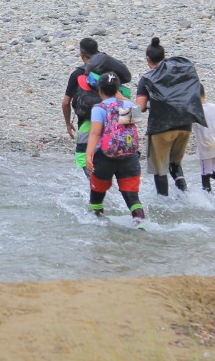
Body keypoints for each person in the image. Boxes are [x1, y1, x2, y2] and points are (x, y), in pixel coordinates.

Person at [133, 38, 204, 197]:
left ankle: (163, 202)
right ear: (164, 56)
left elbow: (140, 107)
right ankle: (184, 196)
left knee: (160, 168)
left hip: (161, 128)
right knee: (175, 163)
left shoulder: (147, 78)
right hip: (185, 125)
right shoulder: (180, 73)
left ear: (147, 59)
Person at [84, 71, 147, 228]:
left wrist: (88, 154)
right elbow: (138, 113)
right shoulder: (128, 106)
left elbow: (95, 133)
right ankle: (141, 227)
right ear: (117, 89)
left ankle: (97, 228)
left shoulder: (99, 108)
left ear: (99, 90)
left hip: (104, 158)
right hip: (129, 157)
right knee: (133, 198)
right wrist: (122, 98)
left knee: (97, 196)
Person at [62, 39, 132, 172]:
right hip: (115, 124)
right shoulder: (111, 72)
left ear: (82, 54)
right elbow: (134, 115)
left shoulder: (77, 74)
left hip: (87, 125)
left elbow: (66, 102)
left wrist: (68, 123)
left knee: (90, 169)